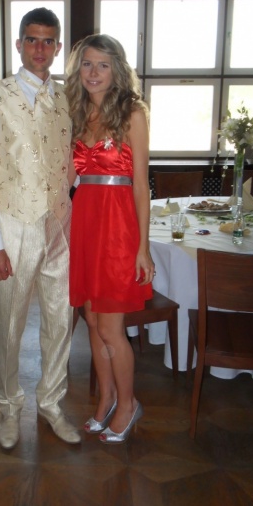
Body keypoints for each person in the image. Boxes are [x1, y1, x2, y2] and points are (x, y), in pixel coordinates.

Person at [0, 8, 80, 449]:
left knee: (60, 321)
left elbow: (70, 160)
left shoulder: (67, 98)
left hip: (60, 226)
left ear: (57, 47)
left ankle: (51, 402)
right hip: (13, 225)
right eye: (32, 39)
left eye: (48, 41)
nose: (40, 49)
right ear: (18, 44)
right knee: (9, 327)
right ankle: (8, 407)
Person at [65, 34, 155, 444]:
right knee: (91, 320)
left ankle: (128, 404)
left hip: (118, 225)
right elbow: (68, 178)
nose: (94, 72)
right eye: (87, 63)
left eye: (103, 64)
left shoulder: (133, 112)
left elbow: (141, 186)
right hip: (85, 220)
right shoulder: (76, 112)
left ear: (116, 69)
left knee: (110, 328)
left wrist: (143, 247)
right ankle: (105, 399)